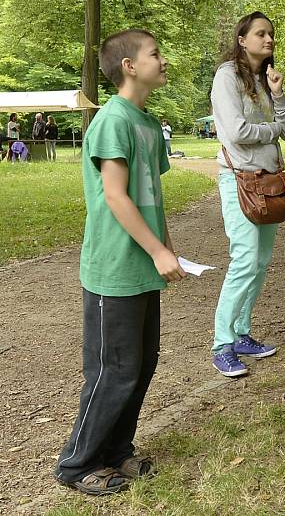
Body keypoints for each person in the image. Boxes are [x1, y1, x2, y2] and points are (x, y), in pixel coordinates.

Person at [54, 28, 186, 495]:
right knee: (113, 369)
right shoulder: (112, 121)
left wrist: (167, 249)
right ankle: (77, 464)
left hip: (143, 267)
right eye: (155, 54)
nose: (164, 60)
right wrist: (156, 249)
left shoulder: (148, 124)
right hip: (113, 267)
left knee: (142, 364)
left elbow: (152, 194)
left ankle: (116, 452)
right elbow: (114, 196)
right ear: (130, 66)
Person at [210, 11, 285, 378]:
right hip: (239, 180)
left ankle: (242, 333)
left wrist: (278, 96)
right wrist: (272, 128)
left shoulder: (265, 81)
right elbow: (237, 130)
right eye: (261, 33)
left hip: (269, 182)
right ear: (242, 39)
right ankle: (221, 344)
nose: (269, 39)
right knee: (244, 260)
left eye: (272, 34)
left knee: (260, 263)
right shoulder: (227, 76)